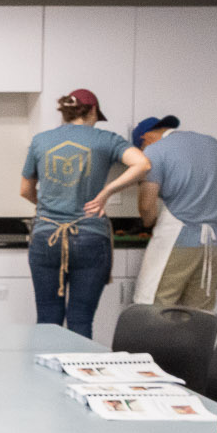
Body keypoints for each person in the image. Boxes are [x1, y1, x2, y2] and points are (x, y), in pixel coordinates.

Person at [89, 117, 217, 311]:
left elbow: (147, 207)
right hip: (216, 241)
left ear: (145, 138)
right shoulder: (216, 146)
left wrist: (148, 223)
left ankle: (154, 343)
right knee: (199, 312)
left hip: (179, 238)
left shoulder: (154, 151)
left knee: (155, 305)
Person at [20, 88, 129, 337]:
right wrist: (107, 192)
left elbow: (25, 190)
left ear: (65, 113)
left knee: (48, 318)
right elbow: (142, 164)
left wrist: (49, 207)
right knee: (80, 319)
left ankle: (46, 375)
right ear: (92, 111)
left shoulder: (41, 140)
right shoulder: (106, 139)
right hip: (90, 235)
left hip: (46, 236)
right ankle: (79, 374)